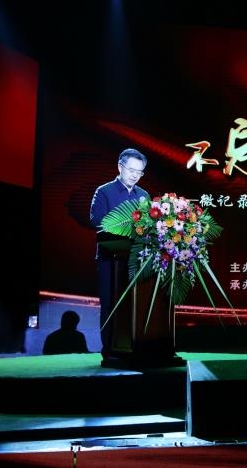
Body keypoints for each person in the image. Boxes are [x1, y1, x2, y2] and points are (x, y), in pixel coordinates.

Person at [89, 148, 150, 364]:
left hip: (137, 260)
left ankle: (134, 347)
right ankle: (110, 351)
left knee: (135, 305)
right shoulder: (104, 191)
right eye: (131, 170)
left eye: (139, 172)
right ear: (120, 167)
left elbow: (148, 225)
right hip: (110, 260)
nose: (135, 175)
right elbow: (97, 221)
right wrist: (126, 229)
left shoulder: (143, 195)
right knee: (109, 305)